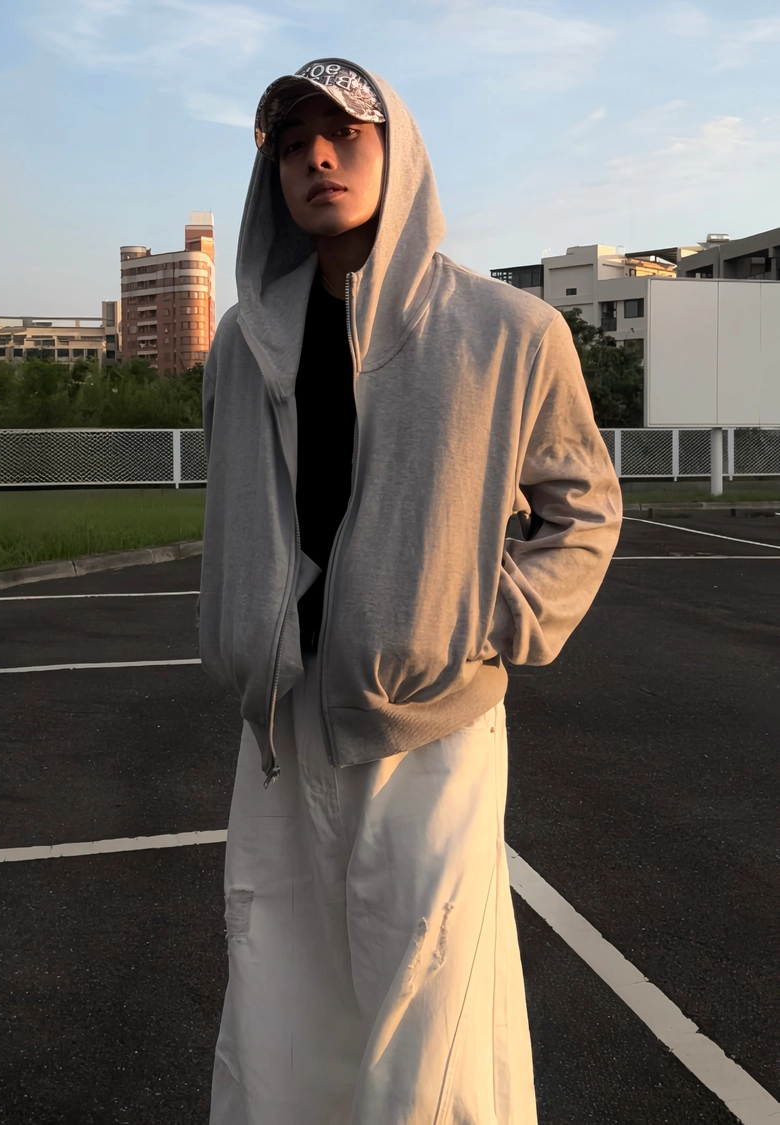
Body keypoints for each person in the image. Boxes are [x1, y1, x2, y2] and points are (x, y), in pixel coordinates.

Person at [199, 57, 622, 1125]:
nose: (318, 158)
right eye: (293, 144)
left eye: (345, 134)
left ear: (400, 152)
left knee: (430, 1019)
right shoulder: (242, 342)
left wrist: (485, 621)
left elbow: (584, 509)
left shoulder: (508, 332)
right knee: (276, 1000)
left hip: (430, 724)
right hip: (281, 722)